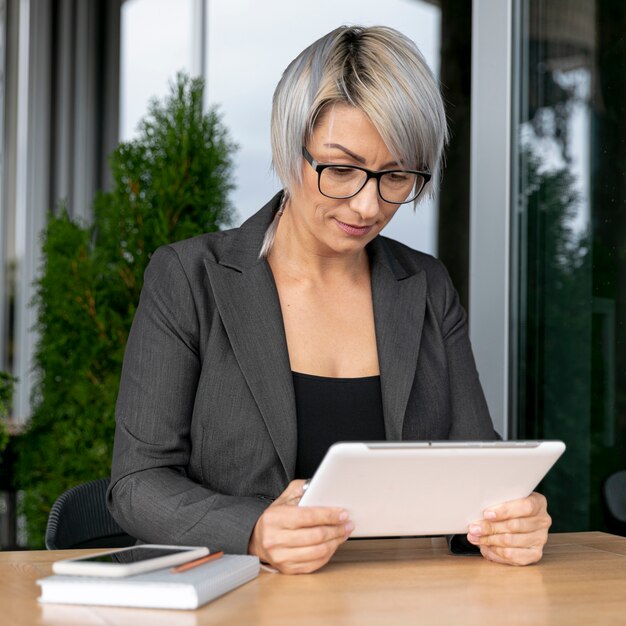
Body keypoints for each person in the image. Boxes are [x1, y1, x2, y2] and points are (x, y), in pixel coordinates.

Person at [108, 25, 551, 574]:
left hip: (402, 602)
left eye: (395, 176)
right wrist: (253, 530)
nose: (367, 206)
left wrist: (509, 520)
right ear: (287, 147)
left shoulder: (427, 286)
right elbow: (136, 484)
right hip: (242, 603)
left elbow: (477, 473)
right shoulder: (190, 278)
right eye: (341, 170)